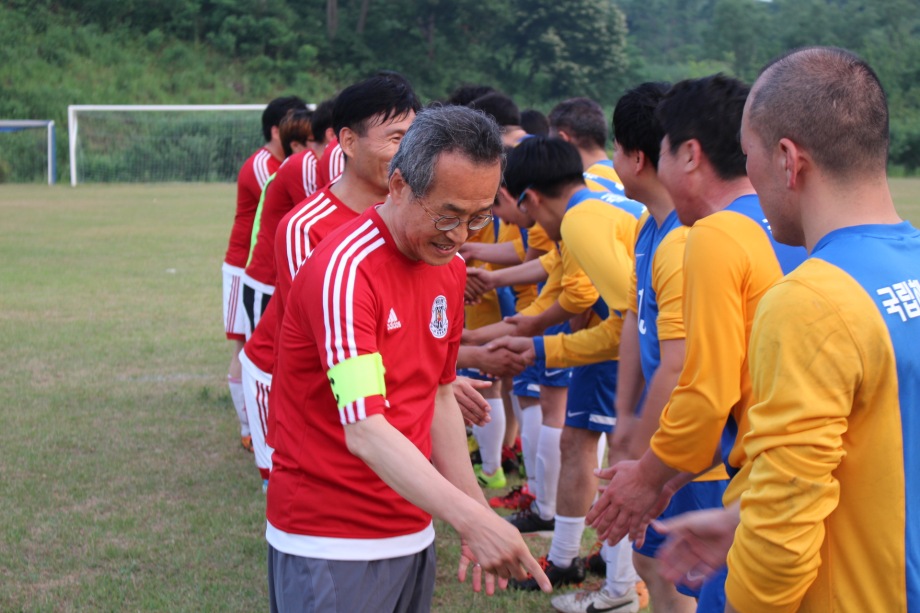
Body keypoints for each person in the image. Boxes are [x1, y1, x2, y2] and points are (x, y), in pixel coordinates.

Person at [655, 46, 920, 612]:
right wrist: (738, 517)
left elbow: (784, 531)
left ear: (786, 160)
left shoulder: (810, 301)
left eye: (747, 158)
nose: (747, 177)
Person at [266, 105, 551, 611]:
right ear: (398, 186)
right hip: (332, 539)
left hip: (411, 531)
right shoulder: (345, 272)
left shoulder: (449, 270)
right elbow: (365, 427)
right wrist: (471, 520)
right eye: (447, 214)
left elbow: (438, 395)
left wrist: (473, 511)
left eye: (478, 217)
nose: (460, 235)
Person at [586, 74, 806, 548]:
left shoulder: (713, 235)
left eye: (661, 152)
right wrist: (670, 479)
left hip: (764, 482)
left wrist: (648, 477)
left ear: (689, 153)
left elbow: (706, 392)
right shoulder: (793, 224)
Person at [241, 73, 421, 492]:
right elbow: (340, 341)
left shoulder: (410, 218)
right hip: (301, 399)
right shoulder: (306, 227)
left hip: (367, 402)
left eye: (413, 140)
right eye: (395, 139)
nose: (407, 154)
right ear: (348, 142)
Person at [222, 95, 305, 452]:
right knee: (249, 347)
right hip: (245, 268)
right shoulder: (264, 167)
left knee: (262, 347)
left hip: (265, 268)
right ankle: (248, 426)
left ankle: (260, 425)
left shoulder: (284, 162)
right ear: (277, 130)